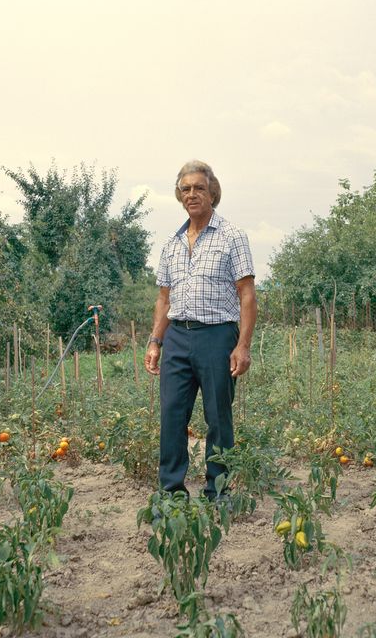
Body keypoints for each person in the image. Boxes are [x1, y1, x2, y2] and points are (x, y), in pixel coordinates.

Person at [144, 160, 257, 500]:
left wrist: (243, 345)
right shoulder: (172, 243)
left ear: (212, 193)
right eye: (185, 189)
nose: (191, 194)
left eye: (199, 188)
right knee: (172, 416)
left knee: (218, 418)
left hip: (217, 337)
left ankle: (217, 493)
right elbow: (164, 298)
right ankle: (171, 493)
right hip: (177, 338)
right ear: (180, 196)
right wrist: (155, 341)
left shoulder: (232, 237)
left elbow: (247, 294)